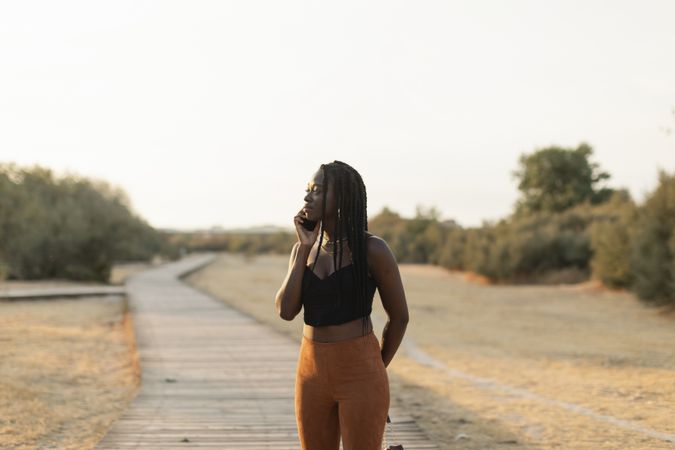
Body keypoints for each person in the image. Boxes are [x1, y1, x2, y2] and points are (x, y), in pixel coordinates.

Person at [274, 160, 409, 450]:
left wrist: (376, 369)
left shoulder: (373, 250)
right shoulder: (304, 251)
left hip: (361, 370)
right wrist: (303, 250)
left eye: (317, 191)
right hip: (310, 372)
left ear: (342, 198)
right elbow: (286, 311)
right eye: (307, 190)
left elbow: (399, 318)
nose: (307, 197)